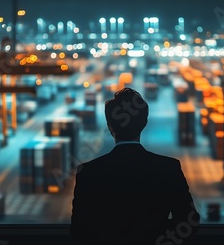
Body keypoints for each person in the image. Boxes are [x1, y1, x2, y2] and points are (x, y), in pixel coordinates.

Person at [71, 88, 199, 245]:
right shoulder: (168, 169)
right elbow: (189, 221)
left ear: (110, 126)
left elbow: (79, 231)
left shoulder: (88, 173)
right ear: (144, 124)